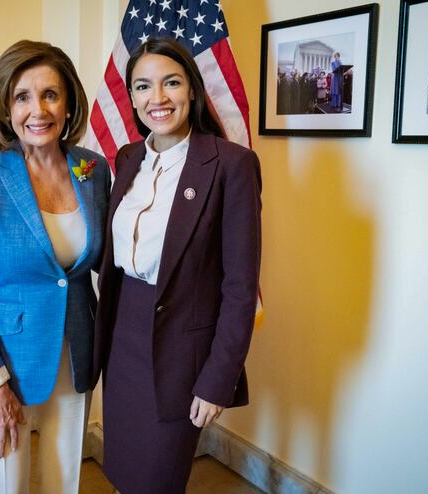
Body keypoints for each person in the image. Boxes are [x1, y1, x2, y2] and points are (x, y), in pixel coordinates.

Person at [93, 37, 262, 494]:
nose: (158, 98)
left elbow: (241, 287)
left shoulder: (231, 165)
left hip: (179, 353)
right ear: (131, 97)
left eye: (171, 83)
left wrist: (216, 380)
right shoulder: (128, 158)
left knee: (159, 478)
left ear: (192, 90)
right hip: (122, 336)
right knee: (125, 472)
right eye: (144, 86)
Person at [0, 39, 109, 494]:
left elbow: (107, 263)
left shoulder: (93, 170)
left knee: (64, 481)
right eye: (22, 96)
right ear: (5, 106)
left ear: (69, 102)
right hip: (6, 364)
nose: (38, 110)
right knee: (5, 486)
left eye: (50, 94)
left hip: (75, 351)